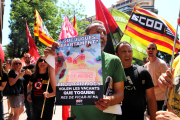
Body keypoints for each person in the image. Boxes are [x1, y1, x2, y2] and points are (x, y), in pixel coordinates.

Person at [44, 20, 126, 120]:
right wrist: (51, 58)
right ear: (85, 37)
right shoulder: (71, 59)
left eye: (104, 33)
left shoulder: (114, 61)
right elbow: (58, 90)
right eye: (97, 32)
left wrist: (109, 100)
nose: (102, 35)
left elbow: (120, 94)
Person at [115, 41, 157, 120]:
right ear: (116, 55)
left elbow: (151, 99)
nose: (127, 54)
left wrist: (154, 118)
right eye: (124, 51)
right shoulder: (112, 73)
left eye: (130, 51)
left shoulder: (142, 72)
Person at [27, 55, 56, 120]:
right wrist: (28, 93)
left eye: (45, 61)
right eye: (40, 60)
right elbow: (29, 84)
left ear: (48, 64)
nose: (43, 62)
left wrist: (49, 95)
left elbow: (56, 91)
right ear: (37, 63)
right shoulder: (34, 75)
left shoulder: (51, 76)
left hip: (47, 105)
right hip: (35, 105)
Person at [144, 43, 168, 111]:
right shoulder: (145, 66)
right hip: (150, 98)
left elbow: (166, 82)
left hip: (161, 98)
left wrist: (151, 87)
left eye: (153, 48)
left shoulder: (162, 63)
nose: (151, 50)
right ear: (146, 51)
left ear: (156, 51)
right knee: (150, 117)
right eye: (149, 48)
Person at [22, 53, 34, 120]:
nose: (27, 58)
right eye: (25, 57)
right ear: (24, 58)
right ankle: (28, 117)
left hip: (32, 90)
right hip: (25, 90)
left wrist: (31, 74)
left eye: (28, 57)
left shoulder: (34, 67)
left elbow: (37, 78)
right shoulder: (23, 68)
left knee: (32, 106)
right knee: (27, 106)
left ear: (30, 58)